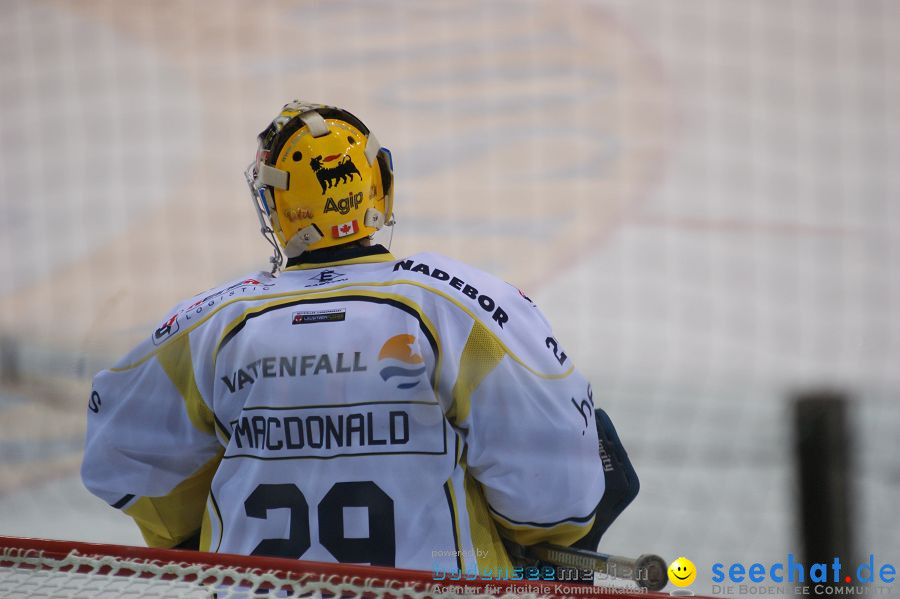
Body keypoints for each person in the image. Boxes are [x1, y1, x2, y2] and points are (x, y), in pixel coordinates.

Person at [81, 101, 638, 576]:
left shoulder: (211, 324)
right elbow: (555, 493)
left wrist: (198, 528)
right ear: (379, 184)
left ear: (276, 206)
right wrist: (536, 543)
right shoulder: (458, 304)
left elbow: (118, 456)